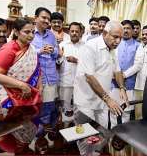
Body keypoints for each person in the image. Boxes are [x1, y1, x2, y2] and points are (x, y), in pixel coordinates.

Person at [73, 20, 128, 155]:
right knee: (82, 135)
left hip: (101, 102)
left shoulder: (112, 49)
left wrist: (122, 88)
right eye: (115, 37)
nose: (118, 41)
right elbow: (89, 77)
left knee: (102, 132)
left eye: (120, 37)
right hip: (85, 102)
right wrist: (108, 99)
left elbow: (117, 71)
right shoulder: (90, 47)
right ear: (104, 33)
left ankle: (95, 152)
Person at [0, 18, 41, 153]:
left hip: (28, 100)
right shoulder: (8, 49)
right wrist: (22, 86)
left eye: (33, 32)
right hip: (9, 100)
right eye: (27, 32)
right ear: (16, 32)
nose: (31, 35)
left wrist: (39, 89)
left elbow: (37, 70)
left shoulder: (31, 49)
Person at [31, 7, 59, 128]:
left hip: (51, 77)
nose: (47, 21)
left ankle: (44, 134)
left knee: (49, 107)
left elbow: (58, 52)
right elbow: (24, 53)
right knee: (35, 108)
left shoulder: (51, 35)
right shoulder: (29, 33)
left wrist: (53, 51)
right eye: (44, 17)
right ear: (35, 18)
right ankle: (36, 134)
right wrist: (40, 51)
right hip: (35, 79)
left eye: (49, 19)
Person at [110, 20, 140, 126]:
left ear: (133, 30)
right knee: (114, 111)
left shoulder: (138, 45)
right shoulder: (115, 44)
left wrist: (124, 75)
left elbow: (138, 65)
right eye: (124, 28)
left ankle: (123, 138)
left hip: (129, 83)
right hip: (113, 83)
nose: (126, 30)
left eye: (128, 28)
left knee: (126, 112)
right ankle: (113, 136)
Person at [57, 22, 84, 120]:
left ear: (80, 33)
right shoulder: (62, 45)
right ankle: (65, 128)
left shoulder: (86, 46)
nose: (74, 33)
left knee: (79, 108)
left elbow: (89, 64)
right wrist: (59, 57)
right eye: (72, 31)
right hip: (65, 82)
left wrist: (76, 60)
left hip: (81, 83)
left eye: (77, 31)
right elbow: (57, 63)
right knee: (65, 108)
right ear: (69, 32)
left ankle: (77, 129)